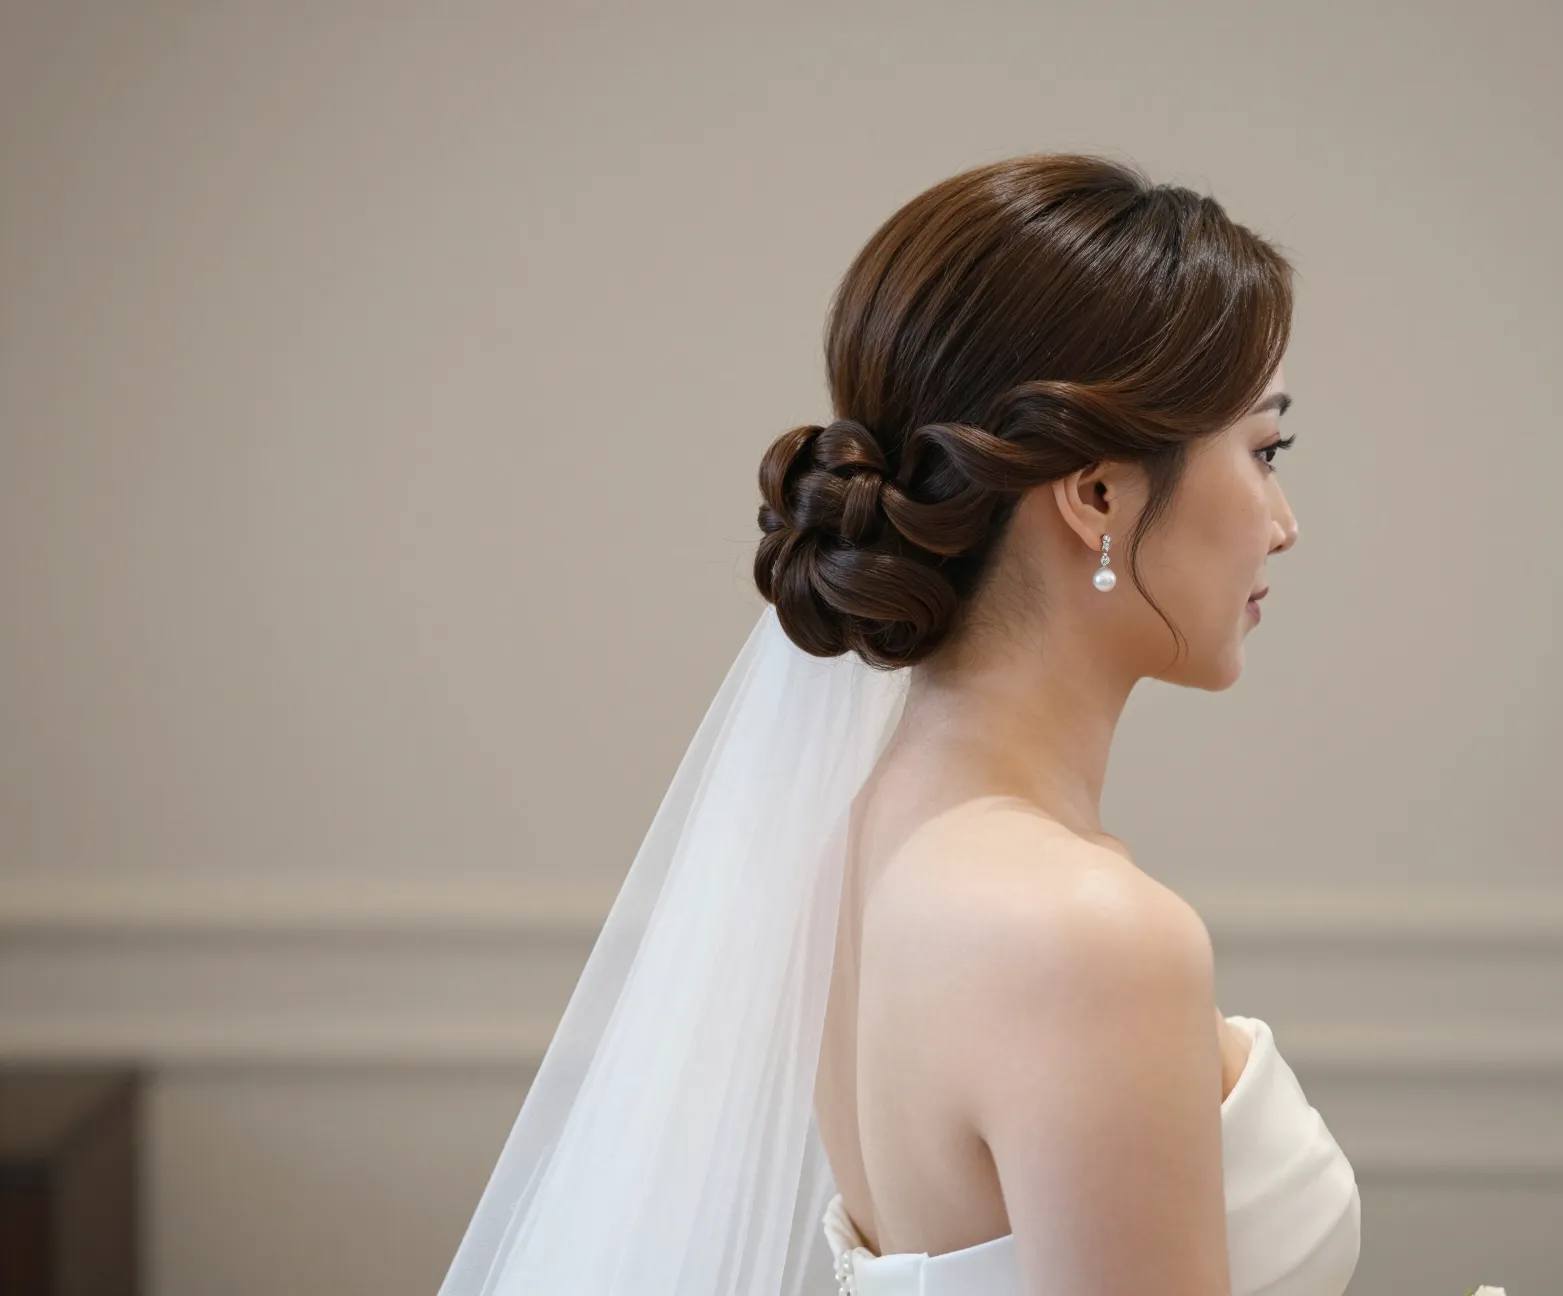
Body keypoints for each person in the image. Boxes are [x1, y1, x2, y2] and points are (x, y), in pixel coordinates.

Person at [438, 152, 1359, 1296]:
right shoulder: (1086, 933)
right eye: (1263, 452)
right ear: (1099, 494)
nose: (1283, 524)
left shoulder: (859, 848)